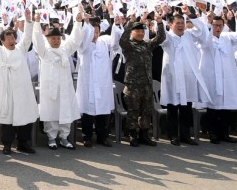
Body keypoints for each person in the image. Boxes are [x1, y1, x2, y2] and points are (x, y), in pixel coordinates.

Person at [191, 10, 237, 143]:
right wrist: (199, 19)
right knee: (213, 108)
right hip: (212, 78)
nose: (218, 28)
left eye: (220, 25)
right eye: (215, 25)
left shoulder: (227, 37)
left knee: (225, 108)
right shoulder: (207, 37)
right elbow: (202, 38)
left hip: (226, 78)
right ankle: (213, 133)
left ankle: (224, 133)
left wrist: (236, 20)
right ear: (212, 25)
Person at [157, 11, 211, 146]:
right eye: (178, 23)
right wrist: (159, 23)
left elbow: (202, 31)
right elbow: (160, 37)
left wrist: (192, 16)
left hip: (188, 78)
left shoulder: (189, 35)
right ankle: (173, 135)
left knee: (186, 108)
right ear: (170, 24)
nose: (181, 26)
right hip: (173, 78)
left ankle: (186, 135)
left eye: (183, 23)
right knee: (173, 108)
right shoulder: (168, 37)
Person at [0, 13, 37, 155]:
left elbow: (27, 37)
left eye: (13, 38)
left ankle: (23, 144)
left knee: (25, 117)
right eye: (8, 39)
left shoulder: (21, 49)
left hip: (22, 90)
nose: (11, 41)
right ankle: (7, 144)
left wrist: (28, 21)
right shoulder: (0, 51)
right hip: (6, 90)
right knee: (7, 119)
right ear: (2, 41)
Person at [32, 16, 84, 150]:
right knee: (51, 113)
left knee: (65, 112)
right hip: (50, 90)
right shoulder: (44, 52)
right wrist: (37, 23)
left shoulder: (65, 51)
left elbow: (75, 41)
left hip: (65, 88)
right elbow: (37, 41)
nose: (56, 41)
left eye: (58, 38)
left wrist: (78, 22)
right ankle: (51, 138)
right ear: (48, 39)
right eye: (53, 38)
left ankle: (64, 137)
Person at [120, 18, 166, 146]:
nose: (141, 33)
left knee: (146, 111)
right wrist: (129, 24)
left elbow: (160, 38)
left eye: (142, 31)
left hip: (147, 84)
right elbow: (122, 40)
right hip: (133, 85)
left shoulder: (147, 44)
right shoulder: (128, 45)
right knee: (133, 111)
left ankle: (144, 134)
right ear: (132, 32)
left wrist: (160, 23)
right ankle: (132, 134)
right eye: (138, 31)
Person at [75, 16, 116, 148]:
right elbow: (85, 39)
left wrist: (116, 24)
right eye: (93, 32)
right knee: (88, 112)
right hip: (88, 84)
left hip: (102, 83)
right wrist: (86, 25)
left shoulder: (103, 42)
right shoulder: (83, 46)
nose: (95, 35)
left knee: (102, 111)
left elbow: (115, 42)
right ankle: (86, 137)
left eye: (97, 32)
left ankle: (102, 137)